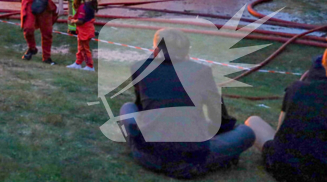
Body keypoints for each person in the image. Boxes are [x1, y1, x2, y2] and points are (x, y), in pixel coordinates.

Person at [118, 28, 255, 178]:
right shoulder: (201, 71)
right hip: (189, 161)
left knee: (128, 107)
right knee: (246, 132)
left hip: (147, 154)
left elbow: (141, 107)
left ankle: (135, 143)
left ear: (156, 48)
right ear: (185, 51)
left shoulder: (140, 67)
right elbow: (220, 119)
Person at [245, 47, 327, 182]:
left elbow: (280, 133)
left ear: (322, 64)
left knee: (253, 122)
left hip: (283, 166)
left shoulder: (297, 88)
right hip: (318, 173)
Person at [67, 0, 98, 71]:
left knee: (85, 49)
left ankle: (90, 66)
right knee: (81, 48)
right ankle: (78, 63)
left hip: (84, 31)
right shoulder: (91, 4)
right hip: (88, 30)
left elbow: (81, 21)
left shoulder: (83, 7)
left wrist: (73, 21)